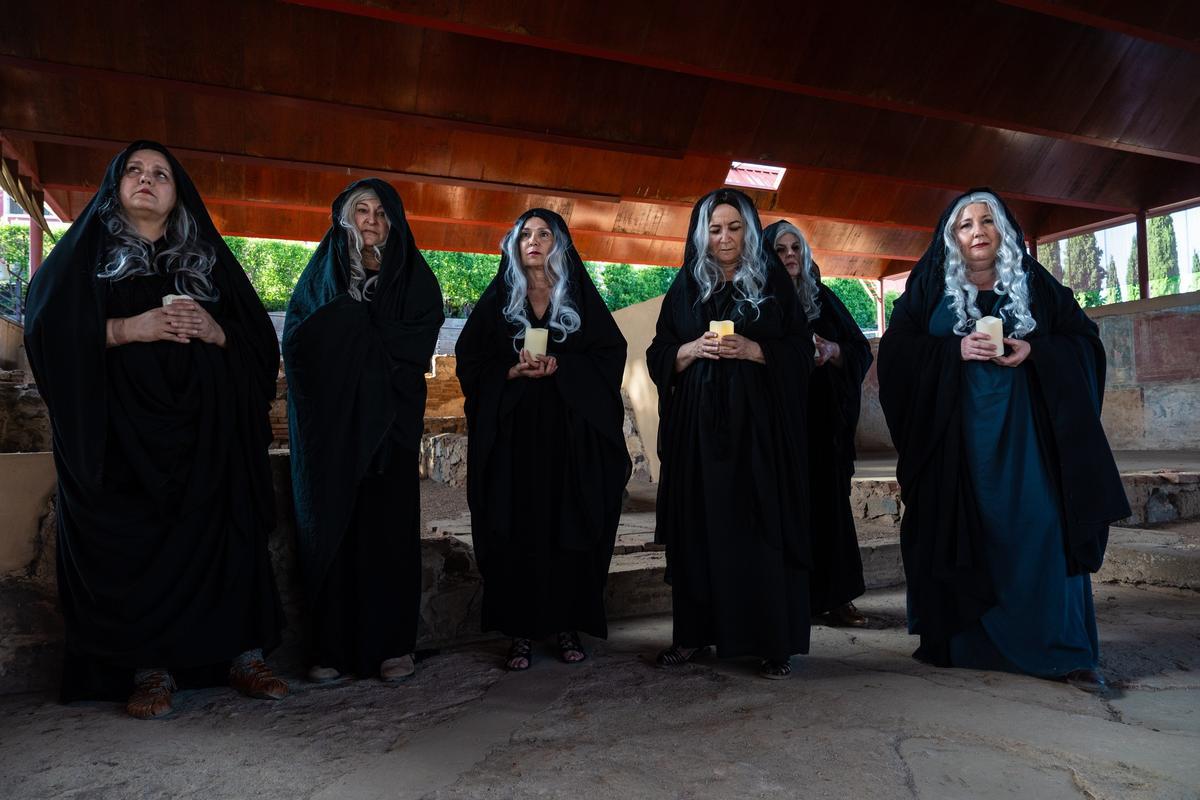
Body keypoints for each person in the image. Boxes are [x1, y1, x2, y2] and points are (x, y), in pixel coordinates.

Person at [23, 141, 288, 719]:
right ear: (116, 186)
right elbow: (45, 335)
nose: (147, 179)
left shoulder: (210, 261)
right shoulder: (81, 256)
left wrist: (217, 332)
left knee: (228, 541)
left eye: (161, 173)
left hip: (208, 440)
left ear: (177, 191)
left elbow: (260, 347)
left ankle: (240, 657)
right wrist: (125, 328)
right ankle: (150, 670)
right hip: (123, 443)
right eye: (135, 171)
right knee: (135, 545)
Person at [877, 188, 1130, 692]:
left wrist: (1034, 351)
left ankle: (1063, 651)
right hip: (958, 447)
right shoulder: (928, 286)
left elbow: (1084, 343)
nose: (977, 232)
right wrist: (952, 352)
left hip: (1029, 442)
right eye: (965, 224)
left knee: (1043, 528)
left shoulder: (1036, 285)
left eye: (986, 221)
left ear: (1005, 231)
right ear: (952, 236)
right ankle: (967, 645)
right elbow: (897, 356)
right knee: (964, 529)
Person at [647, 188, 814, 679]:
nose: (724, 238)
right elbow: (659, 351)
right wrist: (691, 348)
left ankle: (771, 642)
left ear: (748, 230)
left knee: (760, 526)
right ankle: (694, 636)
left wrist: (755, 350)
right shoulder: (686, 286)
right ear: (702, 235)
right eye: (715, 229)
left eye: (734, 228)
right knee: (698, 527)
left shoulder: (773, 287)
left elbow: (800, 352)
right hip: (698, 433)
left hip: (758, 433)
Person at [283, 179, 443, 683]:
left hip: (390, 429)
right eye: (360, 210)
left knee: (388, 532)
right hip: (331, 432)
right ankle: (328, 648)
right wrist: (357, 324)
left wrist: (355, 329)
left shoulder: (414, 277)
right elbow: (301, 343)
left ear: (394, 220)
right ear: (342, 219)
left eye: (380, 211)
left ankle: (394, 646)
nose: (370, 219)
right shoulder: (319, 275)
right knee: (334, 528)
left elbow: (416, 340)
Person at [455, 209, 630, 670]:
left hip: (570, 443)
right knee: (516, 530)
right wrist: (510, 370)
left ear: (561, 245)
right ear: (514, 247)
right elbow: (471, 363)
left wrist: (563, 367)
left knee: (567, 529)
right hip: (514, 444)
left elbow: (610, 356)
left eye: (545, 234)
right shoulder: (497, 302)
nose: (534, 241)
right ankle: (520, 632)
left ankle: (568, 624)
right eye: (525, 235)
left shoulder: (581, 299)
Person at [764, 221, 873, 628]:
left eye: (796, 248)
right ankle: (789, 600)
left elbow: (859, 349)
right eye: (780, 249)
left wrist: (834, 351)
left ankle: (836, 596)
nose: (790, 255)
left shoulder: (824, 299)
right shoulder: (756, 300)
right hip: (777, 425)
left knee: (829, 509)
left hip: (823, 425)